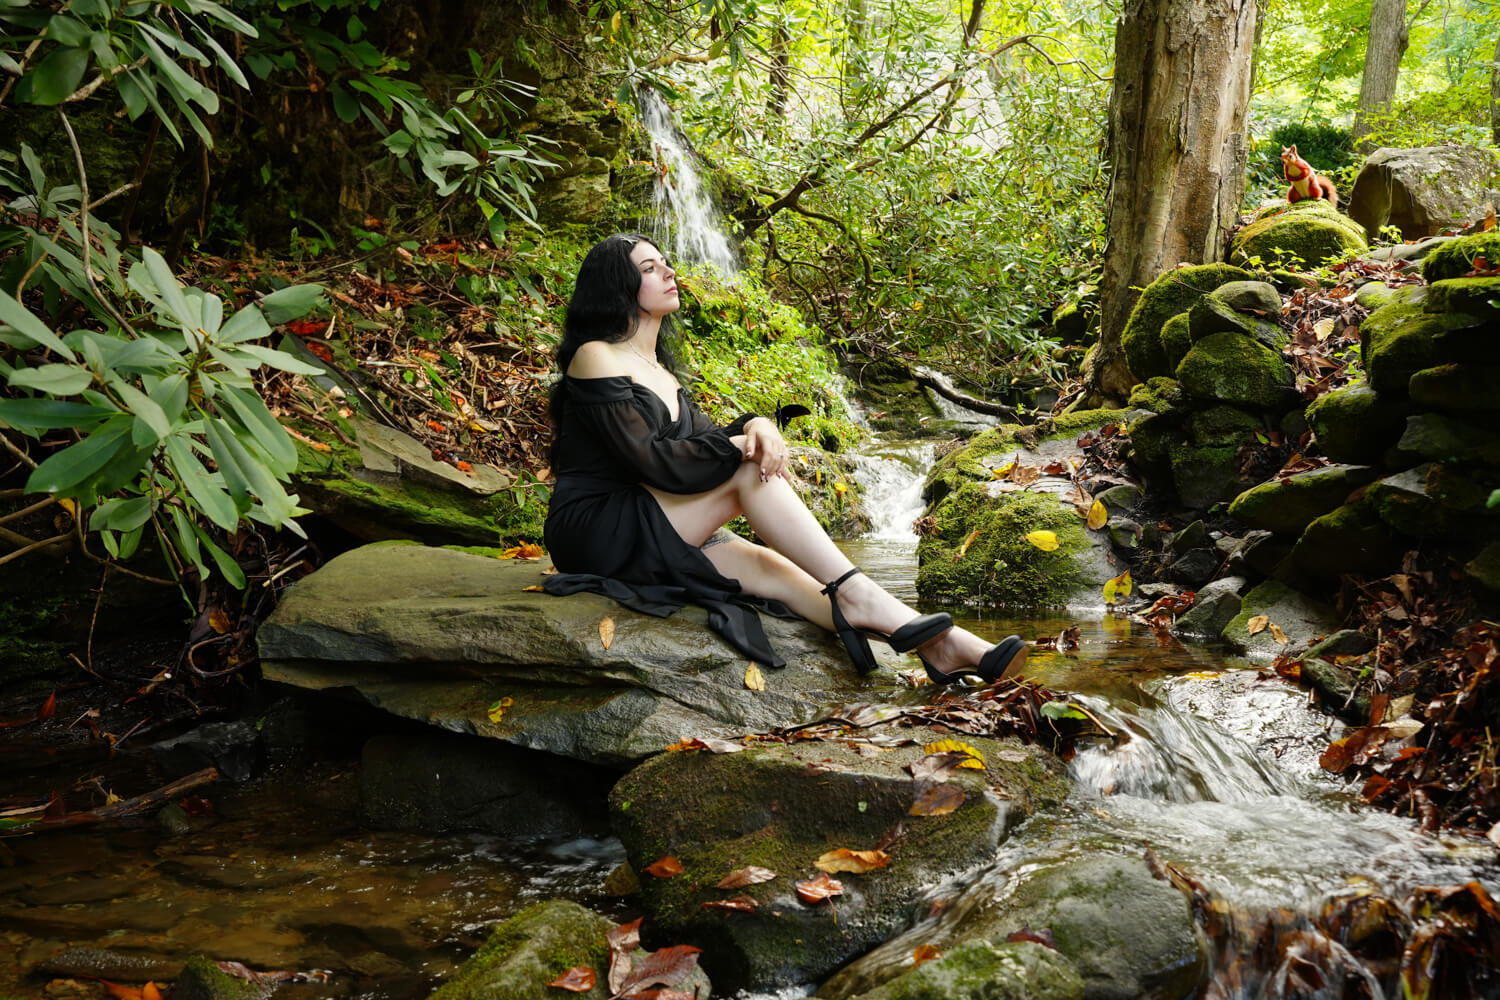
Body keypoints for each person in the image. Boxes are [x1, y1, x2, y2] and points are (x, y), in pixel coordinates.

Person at [542, 232, 1027, 683]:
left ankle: (946, 646)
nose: (669, 273)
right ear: (617, 286)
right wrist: (743, 445)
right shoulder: (596, 355)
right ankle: (856, 591)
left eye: (666, 264)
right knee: (750, 467)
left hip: (656, 521)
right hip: (596, 530)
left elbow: (705, 441)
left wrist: (756, 423)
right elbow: (652, 460)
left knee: (777, 572)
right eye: (650, 268)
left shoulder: (663, 374)